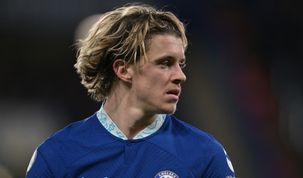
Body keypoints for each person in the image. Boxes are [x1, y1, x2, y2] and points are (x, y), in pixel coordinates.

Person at [26, 3, 236, 178]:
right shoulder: (57, 155)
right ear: (123, 69)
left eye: (181, 64)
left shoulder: (204, 154)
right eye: (165, 63)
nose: (180, 76)